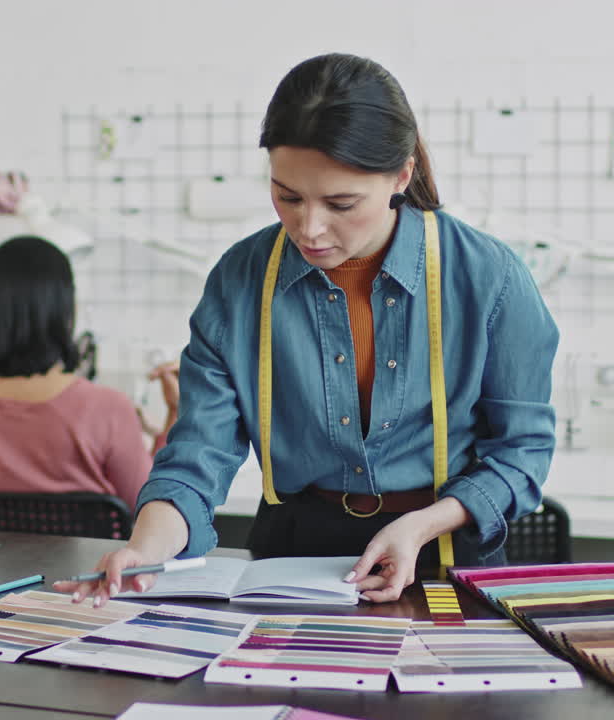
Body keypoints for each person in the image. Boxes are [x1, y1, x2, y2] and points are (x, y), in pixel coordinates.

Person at [56, 54, 559, 605]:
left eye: (341, 203)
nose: (309, 228)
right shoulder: (241, 280)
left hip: (441, 553)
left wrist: (421, 526)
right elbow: (197, 455)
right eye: (287, 196)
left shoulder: (489, 278)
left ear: (402, 175)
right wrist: (146, 549)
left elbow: (520, 453)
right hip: (290, 560)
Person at [0, 236, 177, 509]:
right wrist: (174, 415)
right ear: (65, 308)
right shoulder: (110, 407)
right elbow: (147, 505)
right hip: (91, 554)